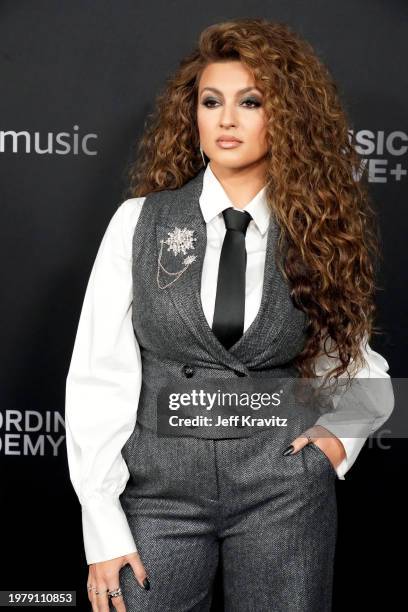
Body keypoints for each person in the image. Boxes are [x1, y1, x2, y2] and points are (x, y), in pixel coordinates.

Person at [65, 18, 394, 612]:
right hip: (156, 496)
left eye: (251, 101)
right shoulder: (139, 223)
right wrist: (102, 526)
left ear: (284, 118)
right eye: (211, 101)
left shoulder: (315, 235)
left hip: (282, 494)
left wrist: (334, 448)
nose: (227, 119)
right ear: (192, 114)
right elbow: (97, 378)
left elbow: (367, 372)